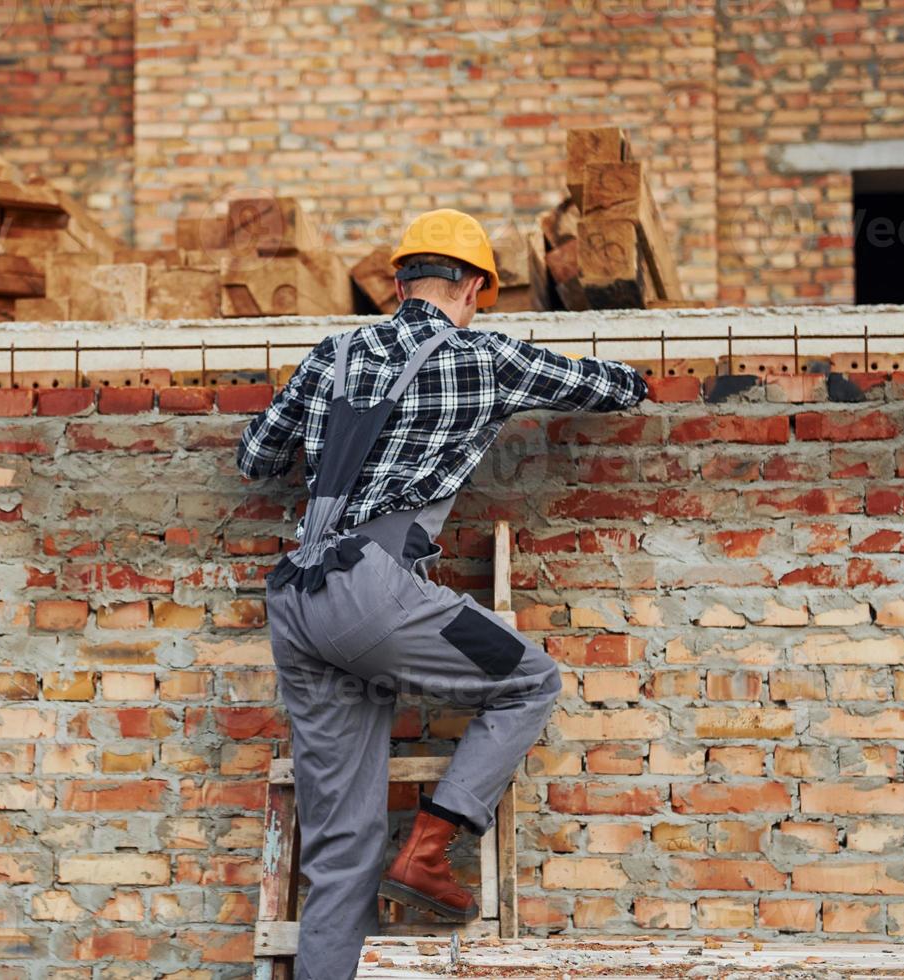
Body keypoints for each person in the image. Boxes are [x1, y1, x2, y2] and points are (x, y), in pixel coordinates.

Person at [236, 209, 648, 980]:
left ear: (397, 285)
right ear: (479, 289)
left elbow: (257, 457)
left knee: (339, 850)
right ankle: (430, 848)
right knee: (530, 679)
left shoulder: (333, 351)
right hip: (372, 590)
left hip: (296, 600)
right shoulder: (488, 356)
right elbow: (616, 388)